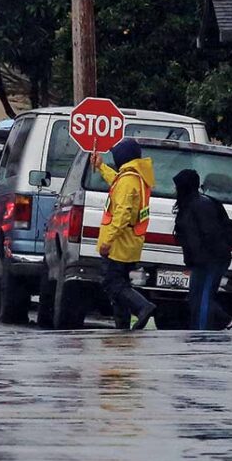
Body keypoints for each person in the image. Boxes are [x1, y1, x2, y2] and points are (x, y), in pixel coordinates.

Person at [91, 138, 156, 331]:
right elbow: (116, 184)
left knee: (112, 284)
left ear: (124, 156)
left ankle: (142, 307)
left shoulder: (128, 179)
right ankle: (122, 326)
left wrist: (108, 241)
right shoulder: (134, 176)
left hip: (119, 244)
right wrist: (101, 167)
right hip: (130, 243)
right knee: (120, 285)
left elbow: (122, 213)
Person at [173, 169, 232, 331]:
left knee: (203, 299)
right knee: (196, 298)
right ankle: (203, 328)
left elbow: (209, 235)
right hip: (202, 260)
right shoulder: (191, 204)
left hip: (212, 260)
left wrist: (203, 257)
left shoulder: (199, 206)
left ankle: (201, 331)